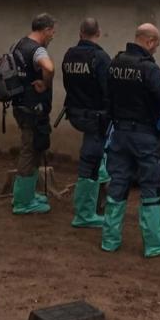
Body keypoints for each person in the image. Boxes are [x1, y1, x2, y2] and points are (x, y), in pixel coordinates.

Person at [101, 23, 160, 257]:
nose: (155, 50)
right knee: (151, 183)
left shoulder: (114, 63)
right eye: (156, 45)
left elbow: (108, 96)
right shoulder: (148, 68)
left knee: (118, 181)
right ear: (149, 41)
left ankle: (110, 239)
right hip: (144, 134)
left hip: (119, 133)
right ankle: (155, 243)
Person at [61, 17, 112, 228]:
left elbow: (67, 84)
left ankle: (92, 206)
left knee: (95, 160)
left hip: (75, 113)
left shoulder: (69, 55)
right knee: (91, 162)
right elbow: (108, 90)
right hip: (96, 117)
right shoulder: (100, 57)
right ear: (98, 33)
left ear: (80, 32)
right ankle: (85, 213)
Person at [8, 14, 57, 215]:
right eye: (53, 31)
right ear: (45, 30)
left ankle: (28, 193)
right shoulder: (38, 49)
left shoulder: (19, 44)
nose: (53, 36)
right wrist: (45, 83)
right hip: (32, 109)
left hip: (20, 105)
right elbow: (49, 67)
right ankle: (22, 201)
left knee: (35, 148)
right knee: (29, 150)